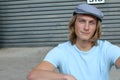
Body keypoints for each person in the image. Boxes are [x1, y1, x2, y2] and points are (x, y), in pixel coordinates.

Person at [27, 3, 120, 80]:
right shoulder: (61, 51)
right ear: (74, 24)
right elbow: (33, 75)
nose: (86, 28)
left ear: (96, 28)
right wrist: (65, 77)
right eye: (82, 21)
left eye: (91, 23)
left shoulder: (106, 49)